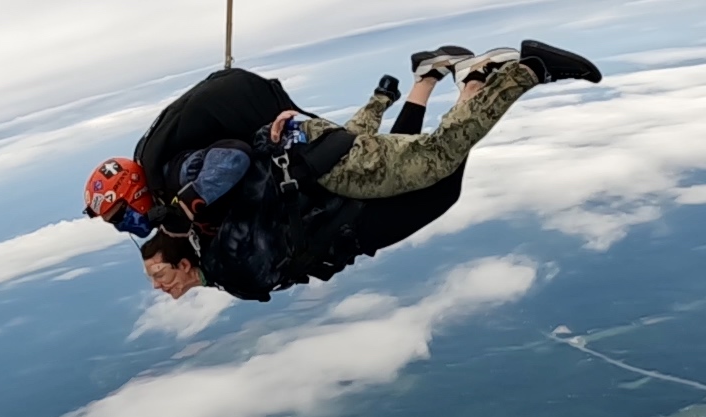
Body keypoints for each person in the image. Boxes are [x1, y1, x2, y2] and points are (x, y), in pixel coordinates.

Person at [84, 41, 601, 301]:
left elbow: (235, 161)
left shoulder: (178, 186)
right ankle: (446, 78)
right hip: (320, 183)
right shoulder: (193, 225)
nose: (159, 287)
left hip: (317, 169)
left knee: (438, 166)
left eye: (123, 216)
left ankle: (526, 69)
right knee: (425, 173)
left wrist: (186, 211)